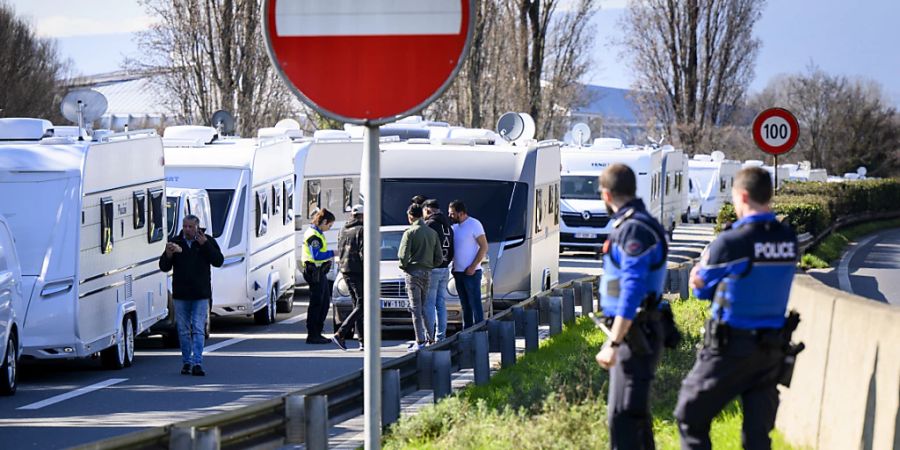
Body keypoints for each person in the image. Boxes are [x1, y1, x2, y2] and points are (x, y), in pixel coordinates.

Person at [674, 167, 799, 450]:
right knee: (757, 435)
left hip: (730, 347)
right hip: (772, 348)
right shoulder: (787, 239)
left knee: (689, 414)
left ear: (742, 196)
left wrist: (698, 277)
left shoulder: (733, 242)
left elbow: (701, 289)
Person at [594, 164, 669, 449]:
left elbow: (632, 289)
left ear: (606, 194)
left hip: (635, 333)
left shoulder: (634, 228)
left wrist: (614, 342)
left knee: (623, 417)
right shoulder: (635, 222)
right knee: (633, 418)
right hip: (636, 330)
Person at [159, 215, 224, 376]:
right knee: (182, 330)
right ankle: (186, 361)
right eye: (185, 226)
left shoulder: (206, 240)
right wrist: (168, 254)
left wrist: (205, 246)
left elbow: (218, 260)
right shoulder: (176, 242)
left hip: (200, 294)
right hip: (181, 294)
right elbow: (164, 266)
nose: (187, 230)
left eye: (190, 227)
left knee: (198, 328)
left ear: (197, 227)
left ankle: (197, 362)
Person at [398, 203, 443, 351]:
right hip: (427, 272)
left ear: (410, 215)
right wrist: (430, 265)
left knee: (415, 308)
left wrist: (404, 266)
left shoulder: (410, 232)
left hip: (413, 272)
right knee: (424, 307)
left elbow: (403, 256)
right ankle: (431, 337)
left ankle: (420, 340)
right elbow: (439, 258)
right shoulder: (432, 233)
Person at [448, 200, 488, 329]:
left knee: (475, 303)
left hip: (472, 272)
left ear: (461, 213)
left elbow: (484, 246)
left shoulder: (474, 224)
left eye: (452, 213)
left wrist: (473, 266)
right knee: (465, 305)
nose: (450, 216)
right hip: (458, 272)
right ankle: (468, 331)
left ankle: (479, 330)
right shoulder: (454, 228)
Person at [332, 205, 364, 351]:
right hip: (358, 270)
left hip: (345, 269)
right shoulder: (362, 230)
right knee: (362, 305)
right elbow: (364, 253)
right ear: (363, 216)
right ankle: (341, 333)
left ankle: (362, 341)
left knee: (356, 305)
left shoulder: (343, 229)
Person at [302, 208, 336, 344]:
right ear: (324, 221)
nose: (330, 228)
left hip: (320, 271)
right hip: (314, 271)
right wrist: (333, 253)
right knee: (317, 304)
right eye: (330, 225)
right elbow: (316, 256)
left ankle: (317, 332)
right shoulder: (313, 235)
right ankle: (313, 334)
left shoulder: (318, 233)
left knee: (324, 303)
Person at [423, 199, 454, 341]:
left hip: (433, 268)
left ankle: (429, 337)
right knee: (440, 303)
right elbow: (452, 248)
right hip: (444, 268)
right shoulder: (448, 226)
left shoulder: (430, 225)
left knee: (429, 303)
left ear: (428, 210)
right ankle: (440, 336)